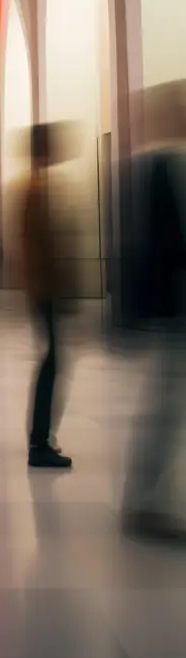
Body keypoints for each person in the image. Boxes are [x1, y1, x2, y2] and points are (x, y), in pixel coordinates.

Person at [120, 82, 186, 539]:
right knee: (163, 404)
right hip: (174, 308)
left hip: (170, 307)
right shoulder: (162, 168)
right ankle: (144, 502)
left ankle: (145, 499)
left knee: (164, 404)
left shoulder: (158, 166)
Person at [22, 124, 73, 469]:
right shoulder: (36, 190)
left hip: (44, 289)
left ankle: (41, 439)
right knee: (52, 362)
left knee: (53, 361)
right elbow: (41, 247)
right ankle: (39, 442)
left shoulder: (38, 188)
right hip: (45, 291)